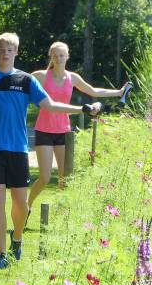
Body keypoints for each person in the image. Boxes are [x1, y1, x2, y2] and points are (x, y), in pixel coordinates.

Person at [0, 33, 101, 269]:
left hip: (18, 149)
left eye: (10, 49)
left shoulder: (26, 80)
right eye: (1, 49)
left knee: (20, 204)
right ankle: (1, 254)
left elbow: (50, 105)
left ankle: (17, 238)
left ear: (16, 52)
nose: (5, 53)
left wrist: (81, 108)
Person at [27, 41, 126, 210]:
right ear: (51, 57)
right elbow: (18, 80)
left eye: (61, 55)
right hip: (44, 130)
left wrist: (118, 92)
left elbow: (94, 91)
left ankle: (61, 214)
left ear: (67, 56)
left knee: (64, 177)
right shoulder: (41, 76)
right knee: (44, 177)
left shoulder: (72, 78)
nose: (58, 58)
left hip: (64, 131)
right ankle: (26, 207)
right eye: (55, 55)